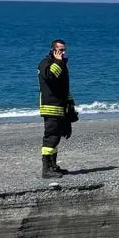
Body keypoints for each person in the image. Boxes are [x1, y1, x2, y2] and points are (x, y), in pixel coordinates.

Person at [37, 39, 76, 178]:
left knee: (57, 137)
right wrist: (59, 62)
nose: (63, 53)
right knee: (51, 137)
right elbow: (51, 78)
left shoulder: (62, 64)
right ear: (53, 50)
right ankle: (46, 169)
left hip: (61, 106)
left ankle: (53, 166)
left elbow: (64, 87)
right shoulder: (45, 63)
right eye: (60, 50)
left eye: (64, 50)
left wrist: (71, 105)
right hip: (50, 106)